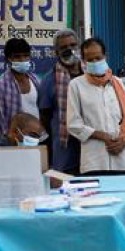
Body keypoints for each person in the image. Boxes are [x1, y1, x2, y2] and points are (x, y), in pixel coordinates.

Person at [67, 37, 125, 175]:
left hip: (121, 160)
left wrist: (123, 142)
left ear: (105, 56)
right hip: (94, 161)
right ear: (83, 61)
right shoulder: (76, 85)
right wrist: (102, 135)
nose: (94, 62)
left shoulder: (120, 84)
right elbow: (73, 124)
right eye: (90, 60)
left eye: (98, 58)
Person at [39, 29, 84, 175]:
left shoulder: (91, 74)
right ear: (56, 52)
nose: (69, 50)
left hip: (91, 149)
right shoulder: (49, 80)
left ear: (79, 47)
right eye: (63, 47)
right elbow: (44, 117)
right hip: (65, 151)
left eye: (73, 45)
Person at [0, 37, 40, 144]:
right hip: (11, 142)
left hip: (38, 139)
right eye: (17, 57)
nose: (22, 60)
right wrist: (7, 136)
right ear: (8, 59)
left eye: (26, 56)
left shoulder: (37, 81)